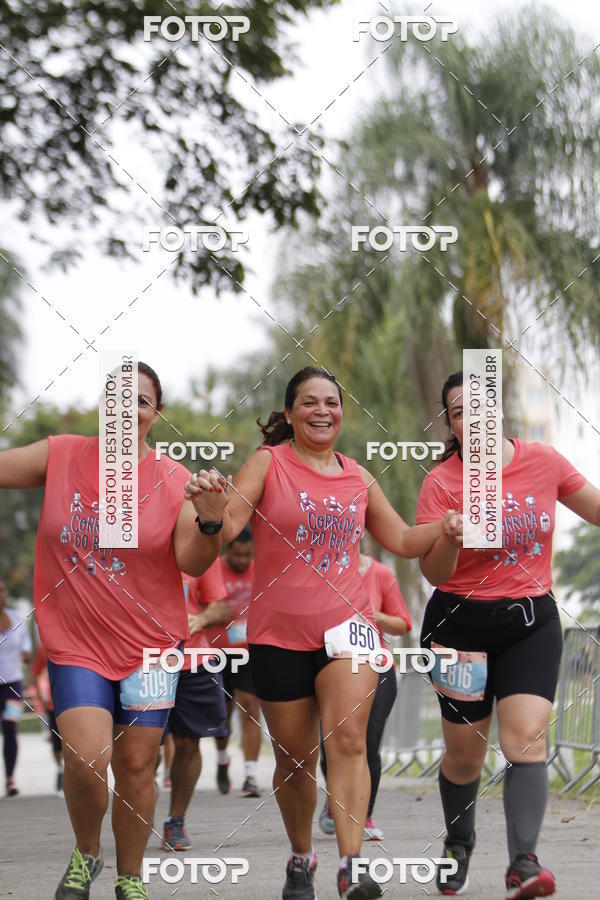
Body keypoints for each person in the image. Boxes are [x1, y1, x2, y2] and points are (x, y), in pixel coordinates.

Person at [185, 366, 461, 900]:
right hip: (278, 637)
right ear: (288, 414)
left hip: (348, 631)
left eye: (331, 402)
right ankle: (300, 857)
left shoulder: (358, 476)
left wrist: (444, 526)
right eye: (308, 402)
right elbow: (231, 523)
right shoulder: (269, 463)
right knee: (293, 760)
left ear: (342, 412)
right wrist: (212, 514)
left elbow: (403, 538)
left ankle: (352, 866)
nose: (321, 411)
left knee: (350, 741)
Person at [0, 362, 228, 900]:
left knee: (137, 764)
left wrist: (211, 519)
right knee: (84, 758)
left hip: (151, 647)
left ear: (156, 413)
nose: (128, 409)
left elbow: (193, 563)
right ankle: (87, 854)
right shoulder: (62, 455)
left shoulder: (174, 480)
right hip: (76, 640)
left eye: (141, 401)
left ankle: (131, 878)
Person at [417, 369, 600, 899]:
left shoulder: (543, 461)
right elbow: (435, 574)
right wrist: (450, 535)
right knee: (465, 755)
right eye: (457, 412)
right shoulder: (441, 483)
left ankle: (524, 863)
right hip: (458, 627)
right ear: (451, 424)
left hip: (529, 622)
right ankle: (458, 843)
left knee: (526, 740)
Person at [319, 547, 412, 840]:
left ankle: (365, 815)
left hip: (378, 664)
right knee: (332, 744)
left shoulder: (381, 575)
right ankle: (336, 803)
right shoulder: (321, 570)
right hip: (333, 664)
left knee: (369, 743)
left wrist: (374, 616)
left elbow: (403, 622)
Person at [162, 565, 229, 851]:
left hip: (193, 660)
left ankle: (175, 821)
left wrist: (201, 619)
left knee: (189, 743)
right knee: (140, 751)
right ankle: (134, 817)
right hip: (138, 660)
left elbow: (222, 608)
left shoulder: (198, 545)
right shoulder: (133, 537)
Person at [203, 527, 262, 798]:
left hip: (249, 651)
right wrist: (219, 613)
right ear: (227, 551)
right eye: (237, 555)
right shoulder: (211, 568)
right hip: (217, 650)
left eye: (247, 555)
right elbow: (202, 607)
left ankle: (250, 774)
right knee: (222, 714)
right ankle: (223, 757)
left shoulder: (260, 569)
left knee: (250, 706)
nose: (242, 561)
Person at [0, 579, 32, 796]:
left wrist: (27, 654)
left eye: (1, 589)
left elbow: (26, 644)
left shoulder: (17, 619)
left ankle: (10, 779)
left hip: (12, 685)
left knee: (10, 728)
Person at [31, 638, 64, 793]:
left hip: (74, 701)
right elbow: (36, 674)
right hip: (52, 702)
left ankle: (72, 773)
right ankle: (61, 770)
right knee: (56, 743)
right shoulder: (43, 648)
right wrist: (40, 697)